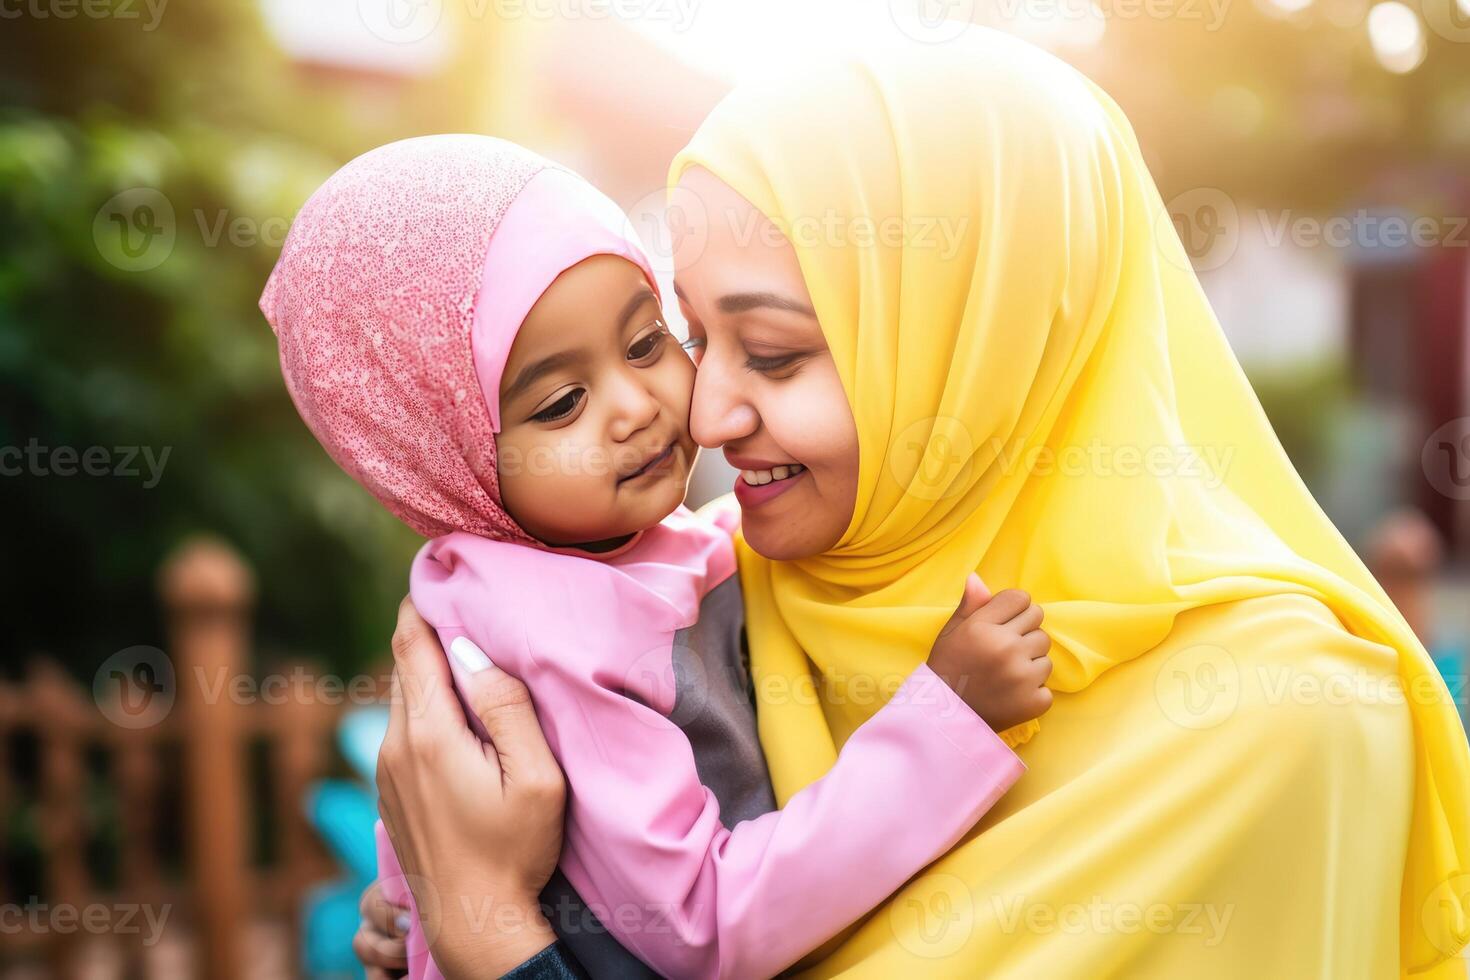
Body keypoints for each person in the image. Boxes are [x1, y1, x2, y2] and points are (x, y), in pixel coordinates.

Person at [362, 31, 1470, 979]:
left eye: (778, 352)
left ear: (982, 349)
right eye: (693, 334)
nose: (700, 412)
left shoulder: (1284, 719)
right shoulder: (698, 592)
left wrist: (495, 932)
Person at [261, 134, 1053, 980]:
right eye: (563, 402)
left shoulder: (605, 550)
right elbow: (705, 924)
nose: (639, 406)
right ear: (443, 453)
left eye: (646, 344)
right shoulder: (553, 638)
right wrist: (947, 723)